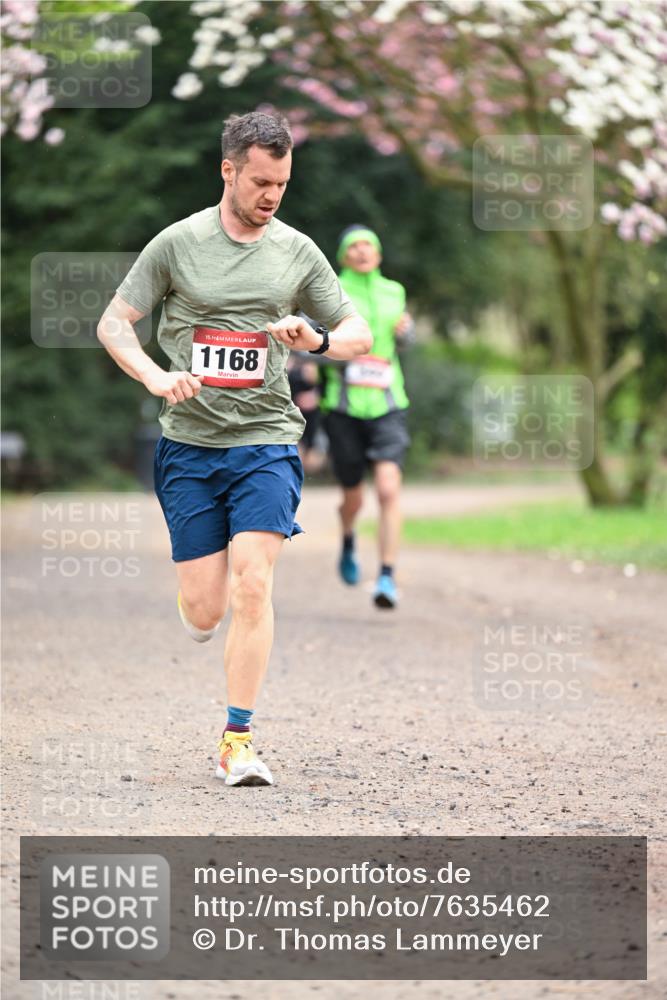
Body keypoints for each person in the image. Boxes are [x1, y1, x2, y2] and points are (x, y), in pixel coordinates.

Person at [97, 112, 371, 786]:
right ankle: (197, 604)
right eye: (259, 181)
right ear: (228, 170)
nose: (271, 194)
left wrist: (317, 342)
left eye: (281, 182)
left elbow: (358, 332)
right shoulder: (177, 244)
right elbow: (114, 323)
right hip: (189, 447)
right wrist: (156, 375)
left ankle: (237, 739)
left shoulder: (297, 252)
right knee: (206, 608)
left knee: (254, 583)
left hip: (266, 440)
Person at [320, 225, 414, 610]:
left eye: (368, 245)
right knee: (354, 497)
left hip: (389, 403)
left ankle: (387, 576)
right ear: (343, 257)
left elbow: (400, 341)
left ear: (377, 254)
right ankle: (347, 537)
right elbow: (315, 343)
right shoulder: (330, 292)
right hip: (343, 407)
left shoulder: (395, 291)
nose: (361, 251)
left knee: (389, 489)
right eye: (353, 247)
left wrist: (406, 333)